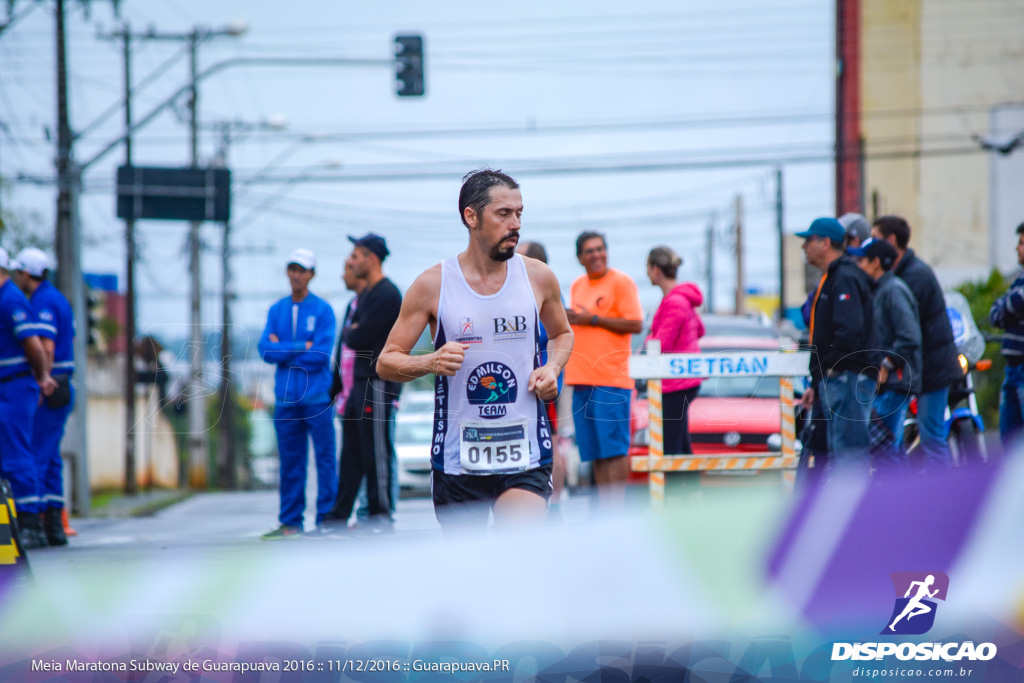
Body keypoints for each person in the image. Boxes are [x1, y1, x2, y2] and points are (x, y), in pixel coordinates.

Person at [376, 169, 573, 532]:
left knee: (519, 548)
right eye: (503, 214)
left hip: (524, 453)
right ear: (471, 216)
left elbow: (563, 334)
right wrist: (431, 361)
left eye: (519, 213)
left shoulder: (538, 276)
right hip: (457, 458)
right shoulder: (433, 284)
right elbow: (387, 362)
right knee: (469, 567)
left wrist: (553, 368)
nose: (515, 224)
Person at [325, 233, 403, 532]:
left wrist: (354, 330)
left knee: (378, 453)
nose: (352, 261)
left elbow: (357, 337)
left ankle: (381, 516)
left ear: (372, 258)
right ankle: (344, 515)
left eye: (356, 256)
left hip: (378, 383)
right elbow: (353, 335)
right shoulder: (365, 297)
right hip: (358, 383)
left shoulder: (387, 294)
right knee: (356, 452)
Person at [257, 249, 337, 540]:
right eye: (292, 269)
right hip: (286, 399)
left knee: (325, 458)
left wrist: (285, 350)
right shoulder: (276, 310)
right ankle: (291, 521)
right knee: (291, 462)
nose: (297, 275)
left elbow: (320, 354)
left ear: (311, 275)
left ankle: (327, 518)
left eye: (302, 270)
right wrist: (300, 346)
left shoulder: (323, 310)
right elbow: (265, 350)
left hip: (316, 397)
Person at [872, 216, 961, 468]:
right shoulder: (900, 274)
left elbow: (908, 331)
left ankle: (944, 498)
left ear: (890, 241)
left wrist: (888, 362)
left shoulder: (914, 276)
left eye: (875, 238)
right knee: (902, 439)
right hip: (915, 369)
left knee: (932, 438)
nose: (870, 246)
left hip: (933, 369)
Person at [564, 231, 643, 508]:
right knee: (595, 451)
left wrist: (592, 319)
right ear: (579, 258)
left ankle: (615, 513)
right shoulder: (577, 285)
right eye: (589, 251)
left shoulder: (621, 282)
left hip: (611, 379)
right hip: (581, 379)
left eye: (600, 249)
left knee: (614, 449)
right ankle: (603, 513)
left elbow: (635, 323)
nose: (596, 254)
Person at [797, 218, 877, 474]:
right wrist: (817, 381)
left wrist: (832, 369)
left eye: (808, 241)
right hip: (837, 379)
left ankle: (860, 512)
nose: (804, 247)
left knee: (850, 456)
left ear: (825, 243)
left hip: (848, 378)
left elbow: (849, 331)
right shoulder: (833, 277)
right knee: (841, 455)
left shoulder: (845, 277)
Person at [12, 248, 76, 547]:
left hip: (53, 385)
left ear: (27, 273)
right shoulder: (56, 297)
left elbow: (46, 347)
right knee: (49, 458)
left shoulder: (43, 301)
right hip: (63, 385)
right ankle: (54, 525)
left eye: (18, 273)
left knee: (35, 453)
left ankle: (33, 524)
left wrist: (41, 381)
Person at [0, 247, 57, 549]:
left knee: (17, 455)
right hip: (8, 388)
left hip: (15, 388)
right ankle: (13, 525)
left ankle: (31, 522)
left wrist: (40, 378)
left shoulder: (10, 300)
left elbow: (36, 346)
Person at [850, 238, 922, 464]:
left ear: (876, 263)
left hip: (894, 383)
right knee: (890, 449)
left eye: (862, 260)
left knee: (886, 452)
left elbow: (911, 336)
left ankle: (899, 499)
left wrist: (886, 364)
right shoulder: (880, 289)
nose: (858, 264)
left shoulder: (893, 290)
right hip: (886, 384)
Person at [516, 240, 567, 519]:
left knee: (552, 440)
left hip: (543, 385)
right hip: (524, 385)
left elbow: (555, 337)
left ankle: (555, 505)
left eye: (520, 257)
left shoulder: (544, 290)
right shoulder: (525, 290)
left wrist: (549, 374)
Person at [645, 246, 704, 455]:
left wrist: (647, 340)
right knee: (680, 443)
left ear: (655, 270)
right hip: (685, 378)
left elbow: (661, 344)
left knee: (671, 447)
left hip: (676, 381)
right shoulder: (683, 299)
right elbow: (700, 330)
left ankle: (677, 488)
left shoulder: (674, 302)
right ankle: (691, 488)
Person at [989, 221, 1024, 446]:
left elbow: (1014, 304)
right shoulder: (1018, 280)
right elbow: (996, 314)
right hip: (1012, 369)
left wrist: (1006, 307)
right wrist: (1006, 307)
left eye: (1022, 243)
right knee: (1010, 443)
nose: (1016, 248)